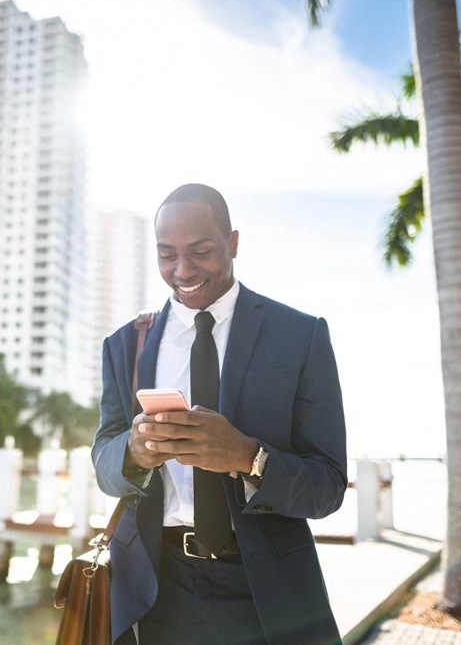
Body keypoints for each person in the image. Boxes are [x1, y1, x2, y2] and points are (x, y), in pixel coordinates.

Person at [92, 183, 347, 645]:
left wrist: (250, 458)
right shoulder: (125, 344)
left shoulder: (300, 335)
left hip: (269, 593)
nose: (182, 270)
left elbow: (327, 488)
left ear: (232, 242)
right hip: (152, 590)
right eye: (166, 254)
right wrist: (131, 451)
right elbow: (105, 466)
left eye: (201, 251)